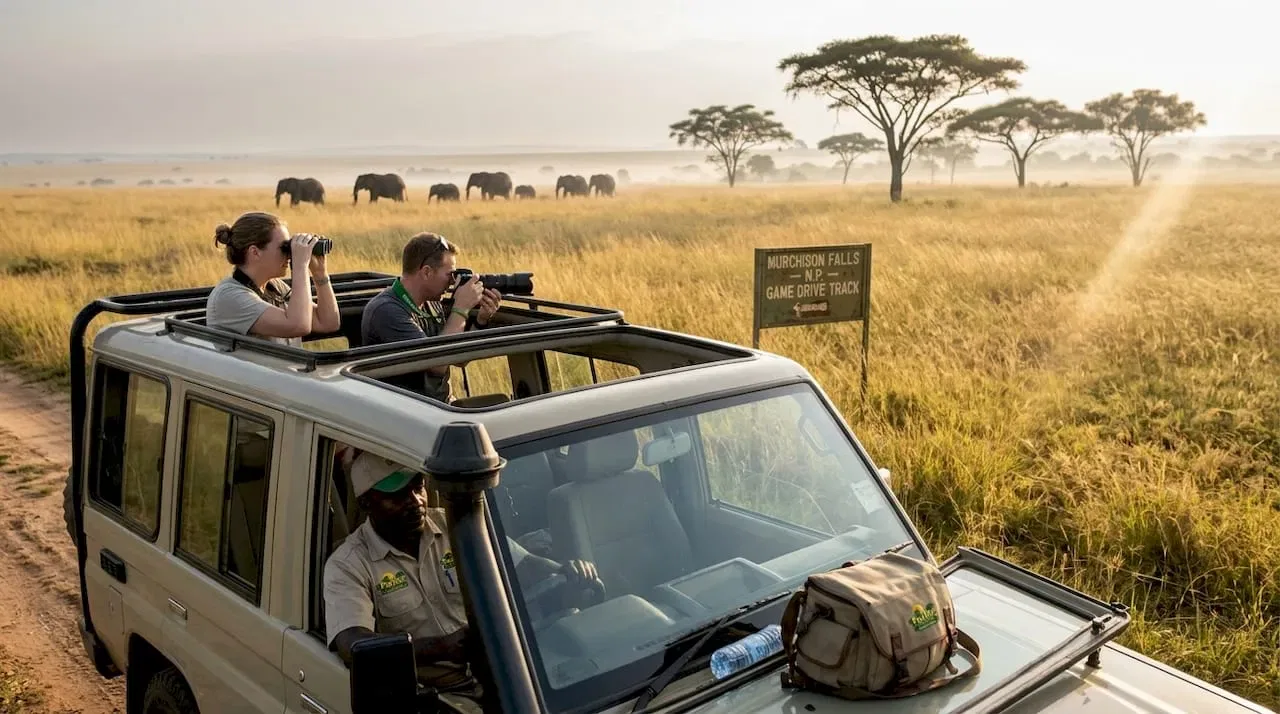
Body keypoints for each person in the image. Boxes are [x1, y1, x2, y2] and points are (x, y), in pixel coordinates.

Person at [323, 452, 600, 699]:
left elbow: (522, 565)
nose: (415, 501)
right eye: (397, 495)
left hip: (505, 671)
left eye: (417, 486)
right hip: (438, 696)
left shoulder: (454, 524)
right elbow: (353, 643)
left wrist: (565, 572)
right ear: (366, 502)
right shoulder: (348, 565)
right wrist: (440, 648)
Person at [360, 232, 501, 402]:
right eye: (449, 275)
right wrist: (461, 309)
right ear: (426, 272)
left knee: (502, 405)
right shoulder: (386, 311)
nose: (452, 282)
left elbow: (458, 358)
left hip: (439, 405)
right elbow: (437, 363)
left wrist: (481, 321)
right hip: (407, 412)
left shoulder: (431, 303)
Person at [206, 211, 340, 347]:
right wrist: (300, 266)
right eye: (284, 248)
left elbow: (328, 323)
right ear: (255, 252)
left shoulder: (274, 287)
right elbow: (298, 325)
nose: (289, 255)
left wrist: (320, 273)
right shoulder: (229, 296)